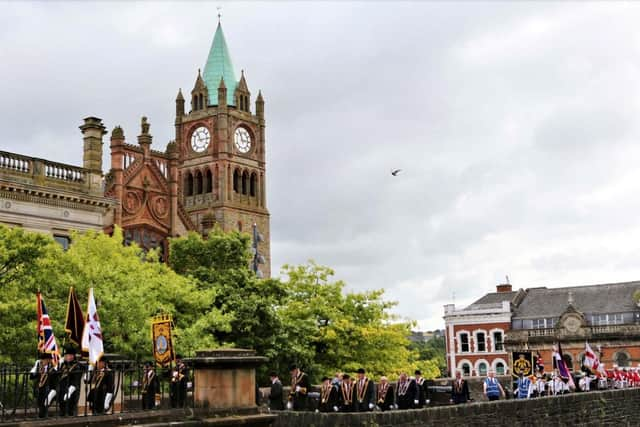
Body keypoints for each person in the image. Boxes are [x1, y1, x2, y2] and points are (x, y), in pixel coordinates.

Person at [30, 352, 58, 418]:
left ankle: (44, 417)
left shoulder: (52, 370)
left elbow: (55, 384)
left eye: (44, 360)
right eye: (42, 360)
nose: (42, 361)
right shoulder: (39, 368)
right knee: (40, 407)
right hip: (39, 391)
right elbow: (31, 376)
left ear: (49, 360)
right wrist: (35, 366)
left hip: (48, 392)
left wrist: (51, 394)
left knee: (44, 408)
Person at [58, 344, 82, 416]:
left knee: (70, 411)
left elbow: (76, 380)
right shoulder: (62, 364)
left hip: (72, 392)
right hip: (62, 391)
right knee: (62, 411)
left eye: (68, 355)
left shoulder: (77, 365)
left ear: (72, 356)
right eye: (66, 355)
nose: (67, 357)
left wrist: (69, 392)